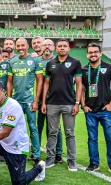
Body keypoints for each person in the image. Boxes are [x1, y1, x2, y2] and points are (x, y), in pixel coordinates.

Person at [42, 39, 83, 171]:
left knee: (69, 133)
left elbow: (79, 84)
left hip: (69, 103)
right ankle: (50, 158)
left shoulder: (75, 62)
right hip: (52, 103)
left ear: (68, 48)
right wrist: (43, 102)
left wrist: (77, 103)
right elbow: (46, 84)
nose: (62, 48)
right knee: (52, 132)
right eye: (59, 46)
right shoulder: (50, 64)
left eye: (64, 46)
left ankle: (72, 161)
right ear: (56, 48)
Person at [81, 43, 111, 175]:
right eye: (90, 52)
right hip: (90, 111)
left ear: (100, 53)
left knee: (110, 138)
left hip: (106, 110)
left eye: (95, 52)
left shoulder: (110, 68)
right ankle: (94, 163)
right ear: (87, 54)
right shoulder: (83, 70)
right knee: (92, 138)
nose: (93, 54)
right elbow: (81, 89)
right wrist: (84, 105)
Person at [9, 38, 43, 165]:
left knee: (33, 128)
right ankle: (15, 152)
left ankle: (36, 154)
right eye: (18, 46)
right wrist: (10, 99)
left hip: (29, 101)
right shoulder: (12, 61)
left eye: (23, 45)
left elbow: (40, 81)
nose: (20, 48)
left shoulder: (35, 60)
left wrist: (36, 100)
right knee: (14, 128)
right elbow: (9, 82)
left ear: (27, 46)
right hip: (16, 101)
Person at [36, 39, 63, 164]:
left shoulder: (59, 61)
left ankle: (58, 153)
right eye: (45, 45)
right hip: (40, 99)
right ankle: (36, 152)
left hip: (55, 100)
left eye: (49, 45)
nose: (47, 47)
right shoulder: (37, 61)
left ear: (54, 47)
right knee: (39, 126)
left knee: (55, 128)